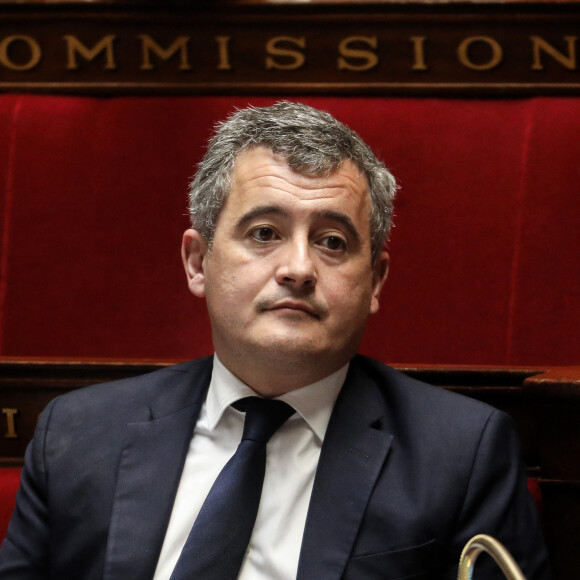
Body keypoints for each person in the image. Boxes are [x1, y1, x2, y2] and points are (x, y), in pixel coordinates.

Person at [0, 102, 550, 579]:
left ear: (375, 281)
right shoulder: (76, 436)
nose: (299, 267)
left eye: (333, 242)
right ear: (198, 262)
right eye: (265, 233)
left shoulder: (461, 453)